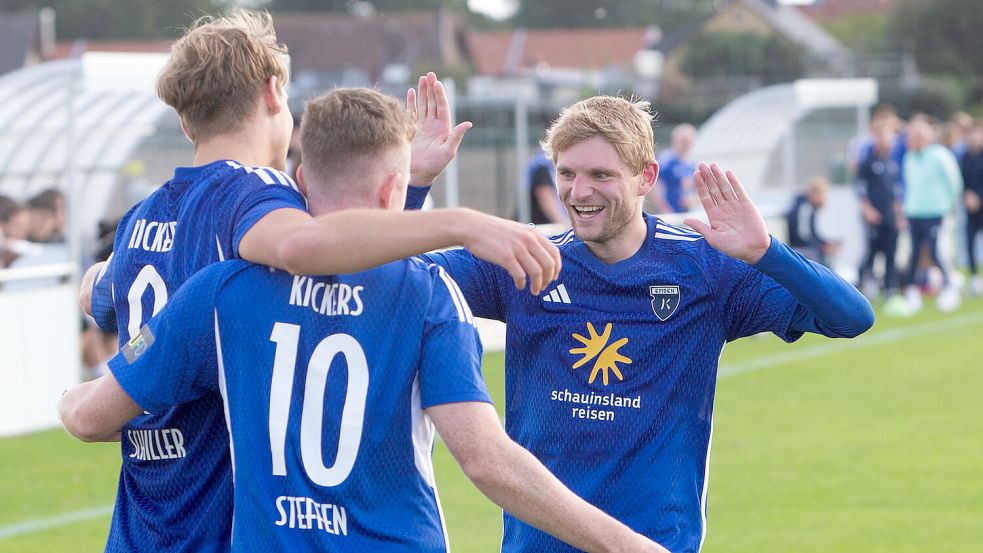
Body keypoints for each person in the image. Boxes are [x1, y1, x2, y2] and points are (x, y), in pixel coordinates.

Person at [60, 87, 667, 553]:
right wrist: (627, 544)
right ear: (391, 193)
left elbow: (92, 415)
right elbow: (486, 461)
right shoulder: (428, 297)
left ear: (299, 181)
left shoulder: (219, 292)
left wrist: (69, 389)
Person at [417, 95, 874, 553]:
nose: (579, 192)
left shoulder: (705, 271)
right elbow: (395, 273)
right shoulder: (525, 259)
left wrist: (766, 252)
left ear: (645, 178)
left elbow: (852, 318)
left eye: (600, 175)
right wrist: (415, 185)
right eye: (567, 173)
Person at [901, 116, 964, 312]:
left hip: (936, 211)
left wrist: (948, 205)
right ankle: (912, 292)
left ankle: (949, 287)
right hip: (914, 212)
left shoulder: (940, 155)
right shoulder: (909, 157)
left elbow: (954, 183)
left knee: (936, 251)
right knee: (915, 252)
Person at [856, 122, 905, 298]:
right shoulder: (867, 162)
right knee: (871, 252)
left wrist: (900, 215)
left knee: (891, 252)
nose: (887, 141)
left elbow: (897, 192)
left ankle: (890, 288)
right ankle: (862, 284)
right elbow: (860, 189)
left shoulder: (893, 163)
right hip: (874, 217)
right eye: (883, 136)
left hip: (890, 217)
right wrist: (867, 209)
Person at [785, 176, 837, 265]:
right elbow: (802, 236)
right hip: (799, 249)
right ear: (813, 193)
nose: (824, 198)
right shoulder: (805, 208)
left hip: (804, 248)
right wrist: (821, 247)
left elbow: (812, 233)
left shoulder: (809, 207)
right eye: (822, 193)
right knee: (821, 260)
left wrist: (825, 243)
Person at [649, 123, 697, 214]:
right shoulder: (666, 160)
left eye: (689, 141)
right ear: (675, 140)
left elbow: (696, 190)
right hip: (667, 213)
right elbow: (655, 184)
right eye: (683, 140)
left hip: (684, 213)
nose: (686, 144)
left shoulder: (690, 164)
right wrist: (664, 208)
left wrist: (692, 201)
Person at [960, 120, 983, 296]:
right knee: (969, 241)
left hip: (979, 203)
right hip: (970, 208)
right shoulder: (965, 157)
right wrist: (966, 195)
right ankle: (975, 277)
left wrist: (978, 197)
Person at [523, 149, 567, 224]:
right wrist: (567, 225)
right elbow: (547, 200)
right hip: (536, 227)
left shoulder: (550, 169)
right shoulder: (541, 168)